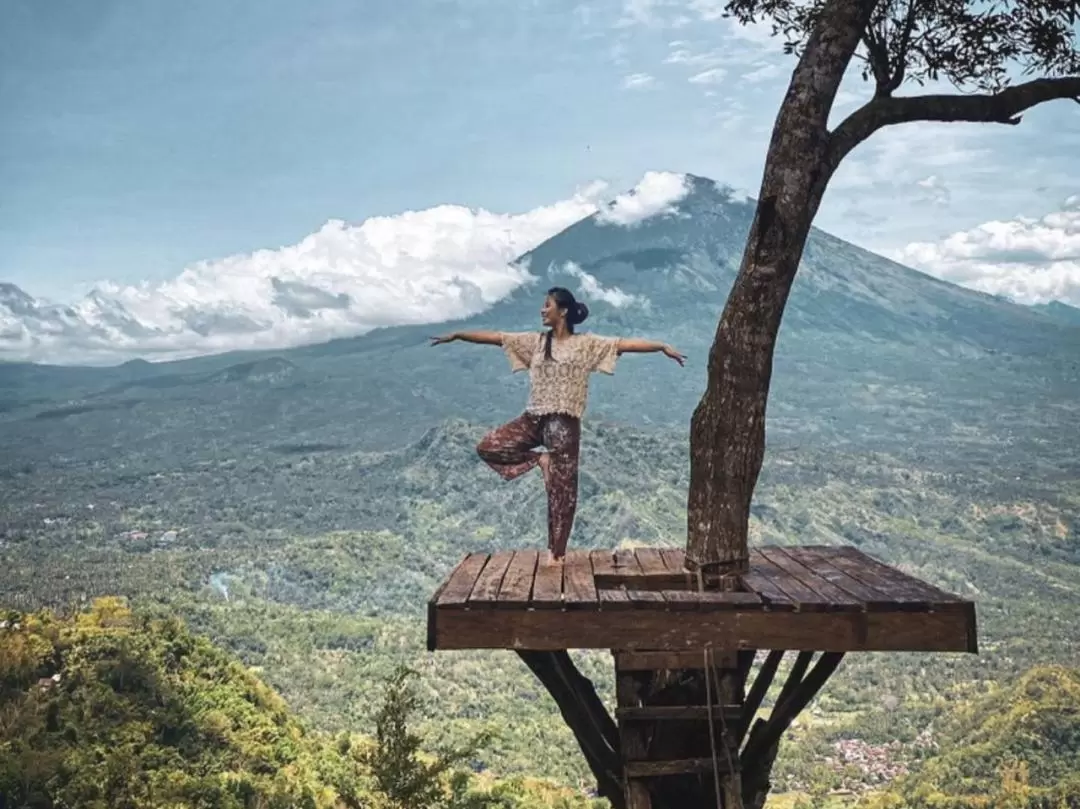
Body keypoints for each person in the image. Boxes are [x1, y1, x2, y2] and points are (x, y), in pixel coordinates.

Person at [429, 286, 686, 565]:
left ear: (562, 311)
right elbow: (495, 338)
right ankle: (541, 460)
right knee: (489, 446)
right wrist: (458, 335)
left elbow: (624, 344)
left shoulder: (586, 345)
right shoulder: (535, 342)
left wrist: (661, 346)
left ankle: (557, 556)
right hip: (533, 419)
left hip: (564, 424)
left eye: (547, 305)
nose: (542, 309)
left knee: (562, 493)